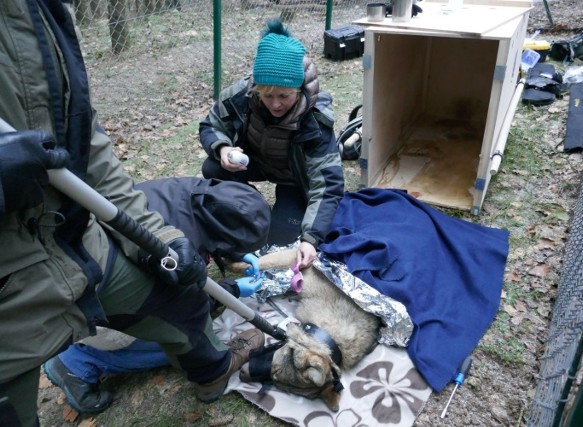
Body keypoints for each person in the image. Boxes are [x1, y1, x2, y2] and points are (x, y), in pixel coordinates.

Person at [0, 2, 265, 425]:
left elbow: (87, 139)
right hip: (8, 284)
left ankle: (212, 373)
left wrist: (161, 242)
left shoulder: (40, 12)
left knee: (184, 294)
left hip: (74, 242)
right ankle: (75, 365)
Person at [44, 176, 271, 414]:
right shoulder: (170, 251)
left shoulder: (183, 193)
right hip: (90, 305)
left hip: (74, 273)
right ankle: (78, 361)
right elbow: (185, 305)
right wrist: (233, 290)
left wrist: (231, 253)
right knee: (192, 336)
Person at [199, 18, 345, 270]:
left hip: (295, 179)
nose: (275, 104)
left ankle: (279, 215)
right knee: (213, 167)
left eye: (284, 96)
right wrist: (223, 148)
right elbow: (210, 125)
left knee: (280, 240)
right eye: (267, 95)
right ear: (256, 88)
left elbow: (327, 185)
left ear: (299, 90)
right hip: (255, 162)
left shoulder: (315, 121)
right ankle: (253, 207)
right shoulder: (240, 96)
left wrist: (311, 239)